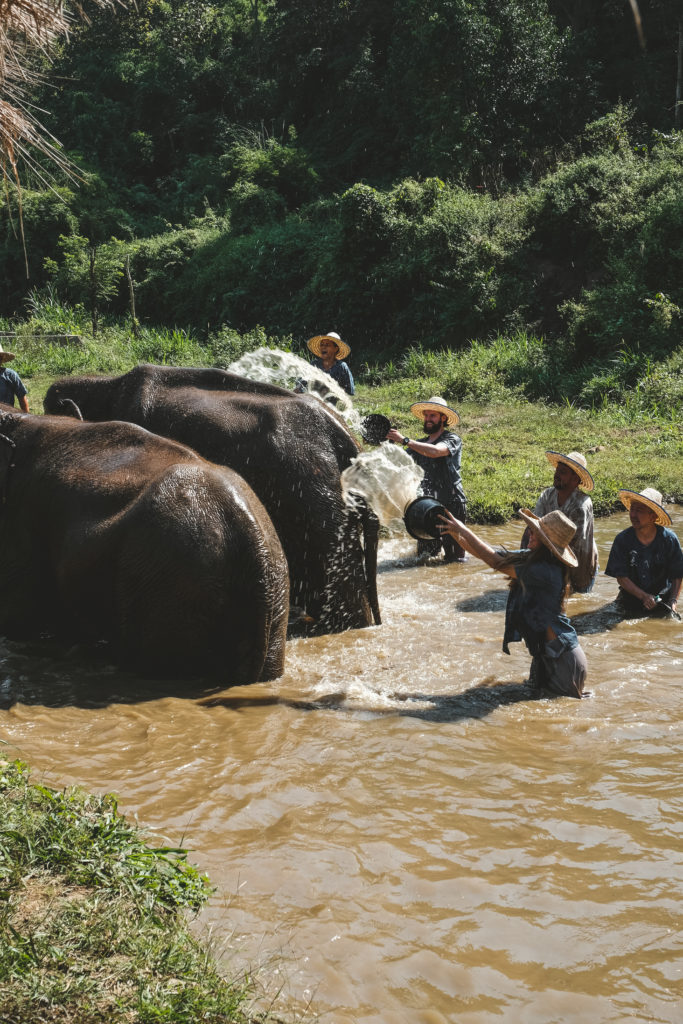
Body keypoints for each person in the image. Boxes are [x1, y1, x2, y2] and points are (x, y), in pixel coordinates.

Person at [440, 507, 588, 699]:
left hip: (563, 661)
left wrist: (464, 530)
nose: (530, 533)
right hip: (549, 656)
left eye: (536, 532)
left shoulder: (544, 570)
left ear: (546, 543)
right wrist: (456, 535)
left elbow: (494, 561)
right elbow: (489, 554)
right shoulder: (533, 557)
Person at [386, 396, 467, 563]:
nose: (428, 420)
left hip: (451, 504)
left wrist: (404, 440)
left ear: (443, 418)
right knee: (424, 559)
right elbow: (398, 462)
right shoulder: (419, 444)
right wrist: (388, 443)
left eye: (433, 416)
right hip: (427, 506)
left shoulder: (452, 439)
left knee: (456, 560)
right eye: (426, 416)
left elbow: (436, 451)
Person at [523, 450, 597, 593]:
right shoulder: (547, 495)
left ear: (576, 480)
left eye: (563, 472)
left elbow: (573, 547)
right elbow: (532, 527)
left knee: (575, 602)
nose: (557, 475)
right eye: (557, 470)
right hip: (548, 554)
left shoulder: (581, 505)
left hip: (579, 567)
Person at [605, 487, 683, 618]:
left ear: (653, 516)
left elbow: (677, 575)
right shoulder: (622, 540)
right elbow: (621, 578)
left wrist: (673, 602)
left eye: (639, 511)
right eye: (632, 509)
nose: (633, 515)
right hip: (630, 599)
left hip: (662, 601)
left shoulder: (669, 540)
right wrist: (644, 596)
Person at [0, 344, 29, 412]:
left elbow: (22, 399)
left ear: (1, 359)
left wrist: (27, 417)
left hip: (7, 417)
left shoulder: (10, 375)